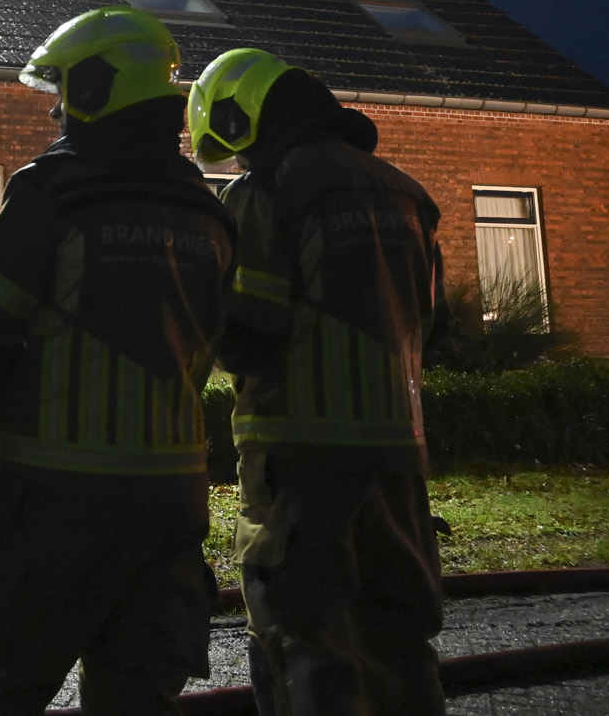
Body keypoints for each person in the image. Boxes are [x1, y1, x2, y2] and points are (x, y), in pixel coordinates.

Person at [0, 7, 236, 716]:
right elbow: (210, 345)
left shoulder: (54, 191)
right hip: (173, 501)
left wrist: (13, 429)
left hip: (54, 503)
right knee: (138, 695)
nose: (55, 108)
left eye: (66, 89)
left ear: (102, 87)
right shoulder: (208, 207)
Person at [188, 48, 449, 716]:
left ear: (243, 116)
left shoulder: (265, 192)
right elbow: (431, 325)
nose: (237, 164)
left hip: (300, 458)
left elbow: (251, 334)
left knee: (301, 638)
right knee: (398, 640)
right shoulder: (406, 193)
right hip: (397, 456)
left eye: (235, 148)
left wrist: (195, 312)